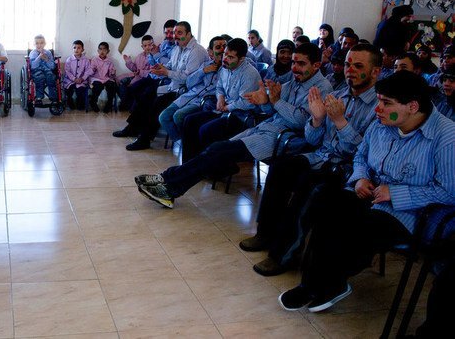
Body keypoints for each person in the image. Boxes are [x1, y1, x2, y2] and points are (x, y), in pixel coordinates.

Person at [278, 71, 455, 313]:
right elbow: (361, 155)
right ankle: (311, 283)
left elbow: (448, 192)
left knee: (357, 226)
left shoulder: (446, 137)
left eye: (386, 103)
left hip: (408, 212)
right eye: (379, 101)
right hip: (368, 193)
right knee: (324, 201)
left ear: (413, 106)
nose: (378, 109)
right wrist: (360, 177)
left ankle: (330, 283)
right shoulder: (383, 123)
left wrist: (396, 193)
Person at [239, 44, 381, 276]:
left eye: (358, 66)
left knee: (308, 188)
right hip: (320, 156)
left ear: (375, 71)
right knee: (279, 169)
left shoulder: (379, 106)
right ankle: (266, 234)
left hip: (347, 168)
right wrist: (316, 120)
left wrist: (340, 122)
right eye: (347, 64)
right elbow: (313, 139)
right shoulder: (339, 93)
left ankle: (284, 255)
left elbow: (363, 153)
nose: (350, 70)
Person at [135, 42, 333, 209]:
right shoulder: (295, 81)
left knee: (217, 148)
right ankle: (167, 180)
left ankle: (169, 185)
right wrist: (264, 101)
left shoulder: (322, 89)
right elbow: (273, 110)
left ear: (316, 65)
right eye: (294, 63)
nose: (294, 68)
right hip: (264, 129)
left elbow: (301, 123)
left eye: (301, 63)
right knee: (214, 149)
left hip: (282, 139)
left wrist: (274, 101)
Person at [114, 21, 208, 151]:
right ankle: (132, 128)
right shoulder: (177, 48)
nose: (175, 36)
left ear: (189, 34)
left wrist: (166, 72)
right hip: (173, 86)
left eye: (179, 33)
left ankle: (145, 139)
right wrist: (161, 68)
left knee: (156, 104)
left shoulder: (196, 51)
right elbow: (170, 65)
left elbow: (189, 78)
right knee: (145, 97)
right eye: (174, 32)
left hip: (185, 91)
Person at [178, 37, 260, 161]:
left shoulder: (249, 74)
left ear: (242, 59)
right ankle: (190, 163)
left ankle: (214, 168)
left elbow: (246, 102)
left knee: (206, 130)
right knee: (190, 121)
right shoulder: (225, 68)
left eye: (231, 57)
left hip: (241, 116)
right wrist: (220, 98)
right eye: (225, 54)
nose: (225, 59)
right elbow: (220, 87)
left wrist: (227, 107)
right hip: (223, 111)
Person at [157, 36, 224, 143]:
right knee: (163, 117)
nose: (222, 50)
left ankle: (187, 144)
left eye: (225, 47)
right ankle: (181, 142)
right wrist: (203, 71)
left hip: (204, 101)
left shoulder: (227, 70)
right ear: (211, 52)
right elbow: (189, 83)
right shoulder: (205, 65)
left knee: (178, 116)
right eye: (218, 47)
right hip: (189, 96)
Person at [118, 35, 155, 110]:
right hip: (136, 78)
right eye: (145, 45)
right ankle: (126, 104)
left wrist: (140, 72)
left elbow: (152, 72)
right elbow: (135, 69)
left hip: (147, 80)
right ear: (142, 47)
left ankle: (131, 107)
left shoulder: (156, 56)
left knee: (133, 88)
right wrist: (128, 62)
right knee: (121, 83)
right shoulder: (140, 56)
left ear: (153, 44)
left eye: (150, 45)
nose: (147, 47)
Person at [63, 39, 93, 110]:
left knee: (80, 90)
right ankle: (70, 102)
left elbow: (88, 71)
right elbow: (67, 71)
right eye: (74, 47)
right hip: (70, 80)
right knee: (69, 90)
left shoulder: (85, 60)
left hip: (81, 80)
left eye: (79, 48)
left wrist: (82, 78)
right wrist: (74, 79)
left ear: (82, 50)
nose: (76, 49)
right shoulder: (69, 59)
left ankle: (80, 103)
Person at [29, 34, 58, 104]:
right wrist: (39, 57)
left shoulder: (48, 53)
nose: (39, 45)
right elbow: (33, 66)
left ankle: (53, 97)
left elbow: (52, 66)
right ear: (34, 44)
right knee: (40, 78)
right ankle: (39, 97)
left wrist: (46, 59)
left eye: (41, 43)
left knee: (51, 77)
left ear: (45, 44)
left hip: (47, 70)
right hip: (37, 71)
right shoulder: (32, 53)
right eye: (37, 43)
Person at [89, 41, 117, 112]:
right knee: (97, 86)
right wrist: (93, 69)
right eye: (100, 49)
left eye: (104, 49)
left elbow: (111, 74)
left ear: (108, 51)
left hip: (106, 78)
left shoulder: (109, 61)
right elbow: (91, 71)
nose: (102, 51)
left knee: (112, 85)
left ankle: (109, 104)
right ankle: (93, 102)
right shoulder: (94, 60)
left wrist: (113, 72)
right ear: (98, 51)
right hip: (96, 78)